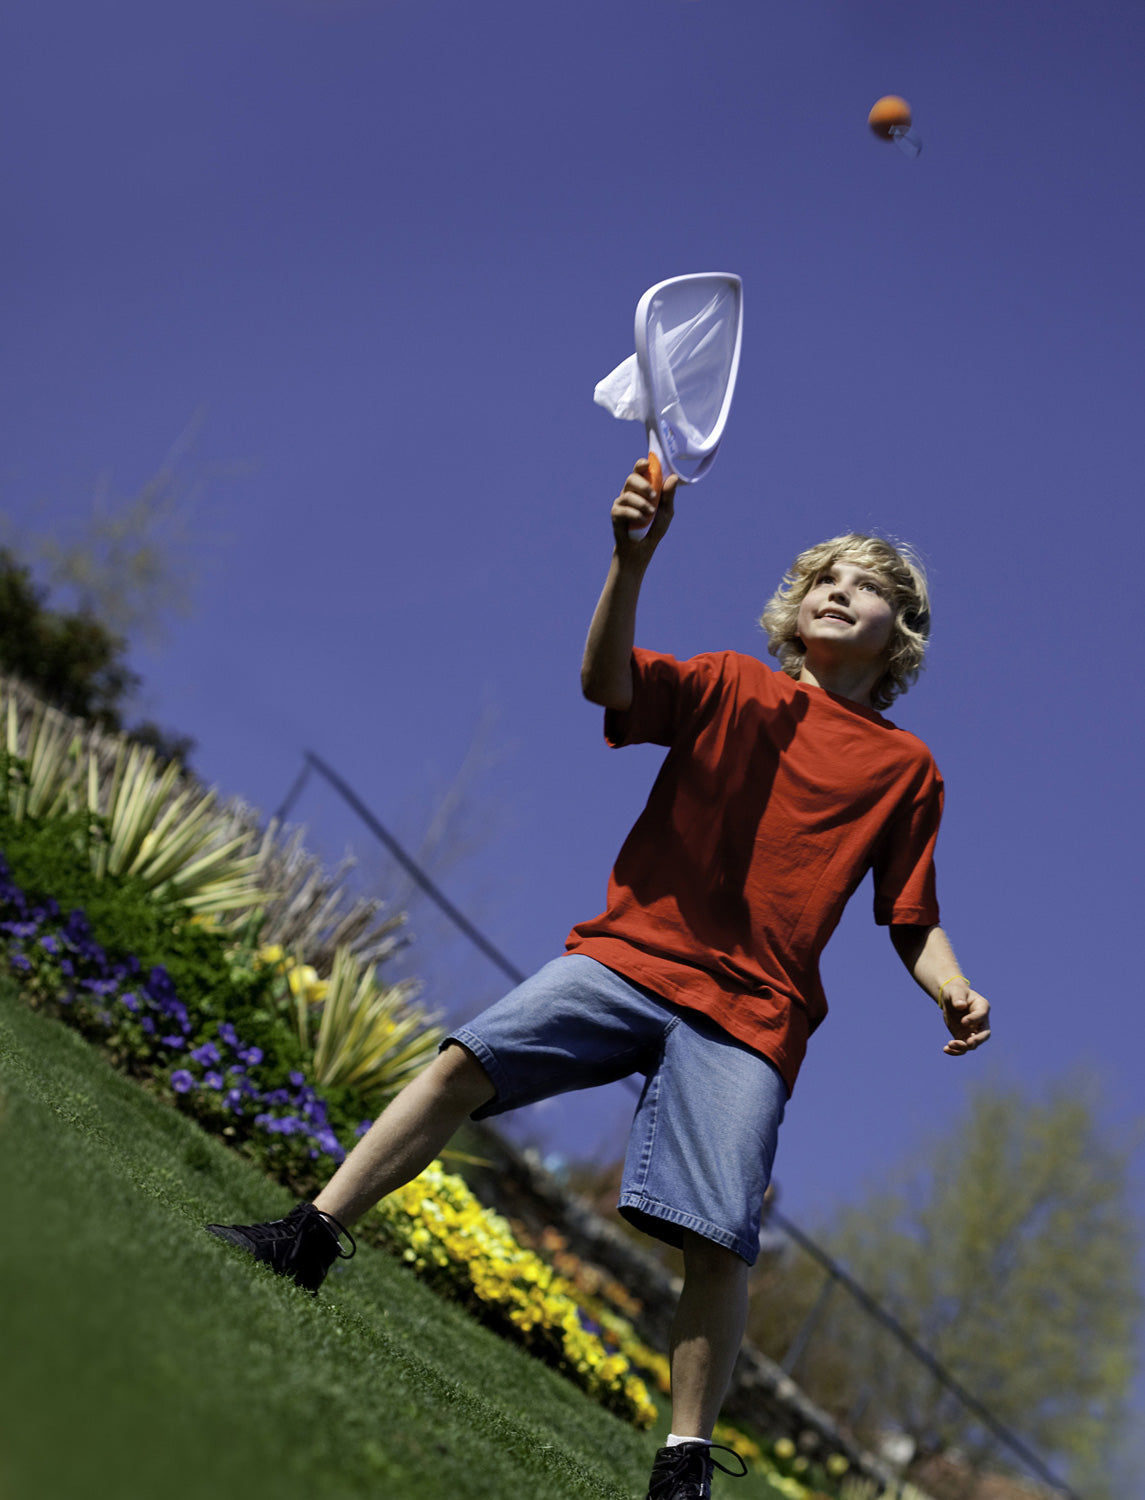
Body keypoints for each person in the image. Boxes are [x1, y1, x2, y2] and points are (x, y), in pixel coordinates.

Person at [208, 459, 992, 1500]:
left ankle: (682, 1463)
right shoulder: (726, 680)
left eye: (863, 584)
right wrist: (630, 561)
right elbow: (607, 685)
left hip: (750, 1017)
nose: (836, 591)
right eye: (820, 578)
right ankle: (309, 1235)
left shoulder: (907, 771)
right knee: (460, 1064)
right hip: (629, 958)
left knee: (718, 1239)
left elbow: (909, 915)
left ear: (899, 634)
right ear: (792, 608)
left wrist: (950, 986)